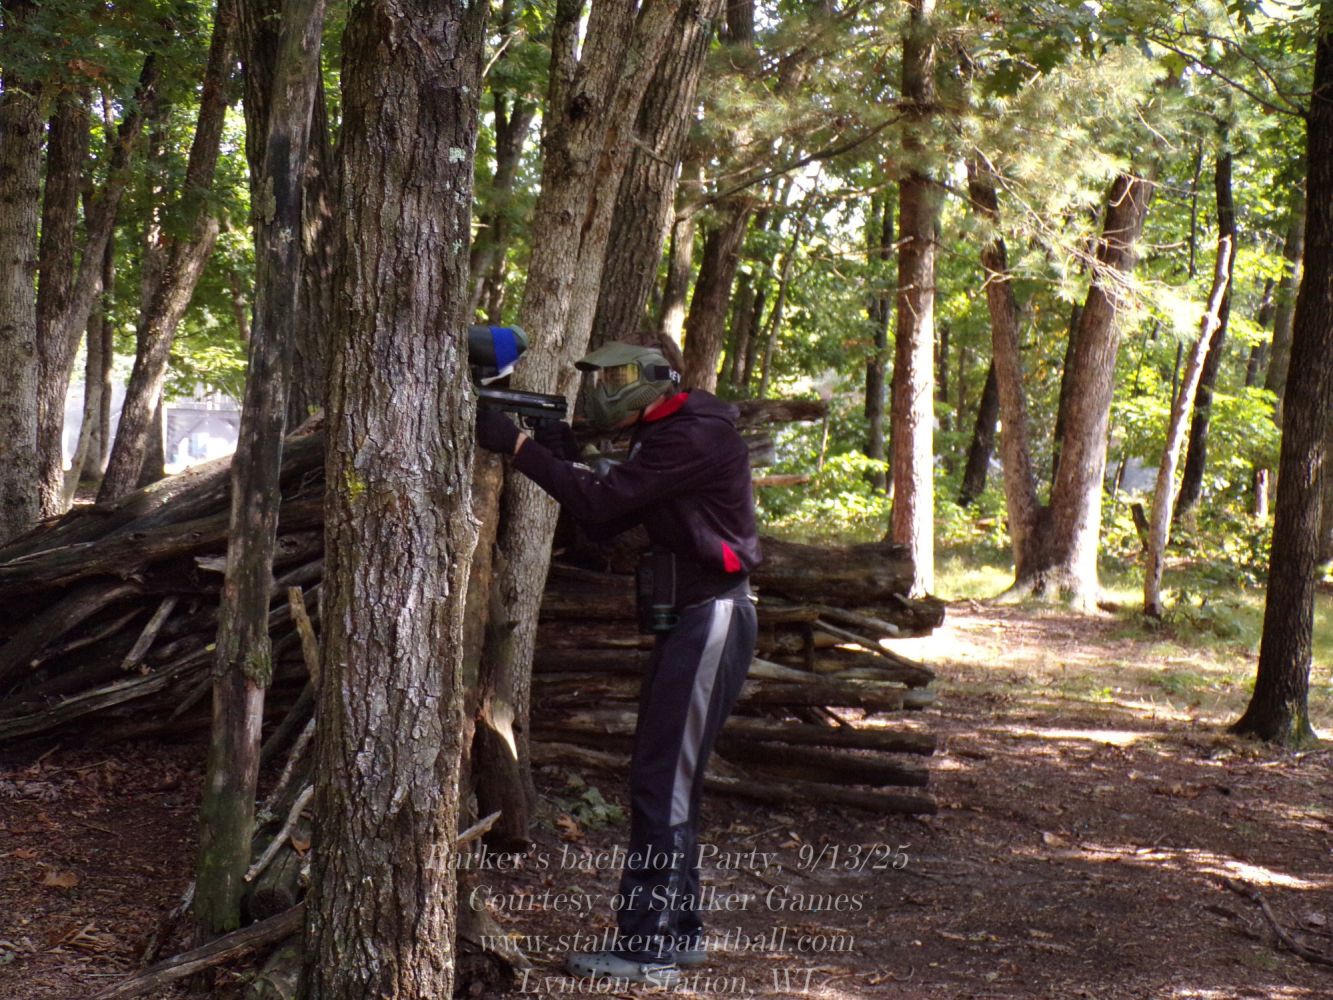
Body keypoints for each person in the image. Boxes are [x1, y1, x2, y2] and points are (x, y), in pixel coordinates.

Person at [475, 339, 760, 987]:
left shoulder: (693, 435)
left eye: (616, 378)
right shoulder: (668, 434)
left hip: (711, 618)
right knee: (664, 778)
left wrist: (520, 448)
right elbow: (605, 521)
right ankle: (678, 932)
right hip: (693, 619)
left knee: (664, 782)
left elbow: (603, 504)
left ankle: (647, 949)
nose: (605, 391)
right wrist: (559, 452)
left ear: (653, 381)